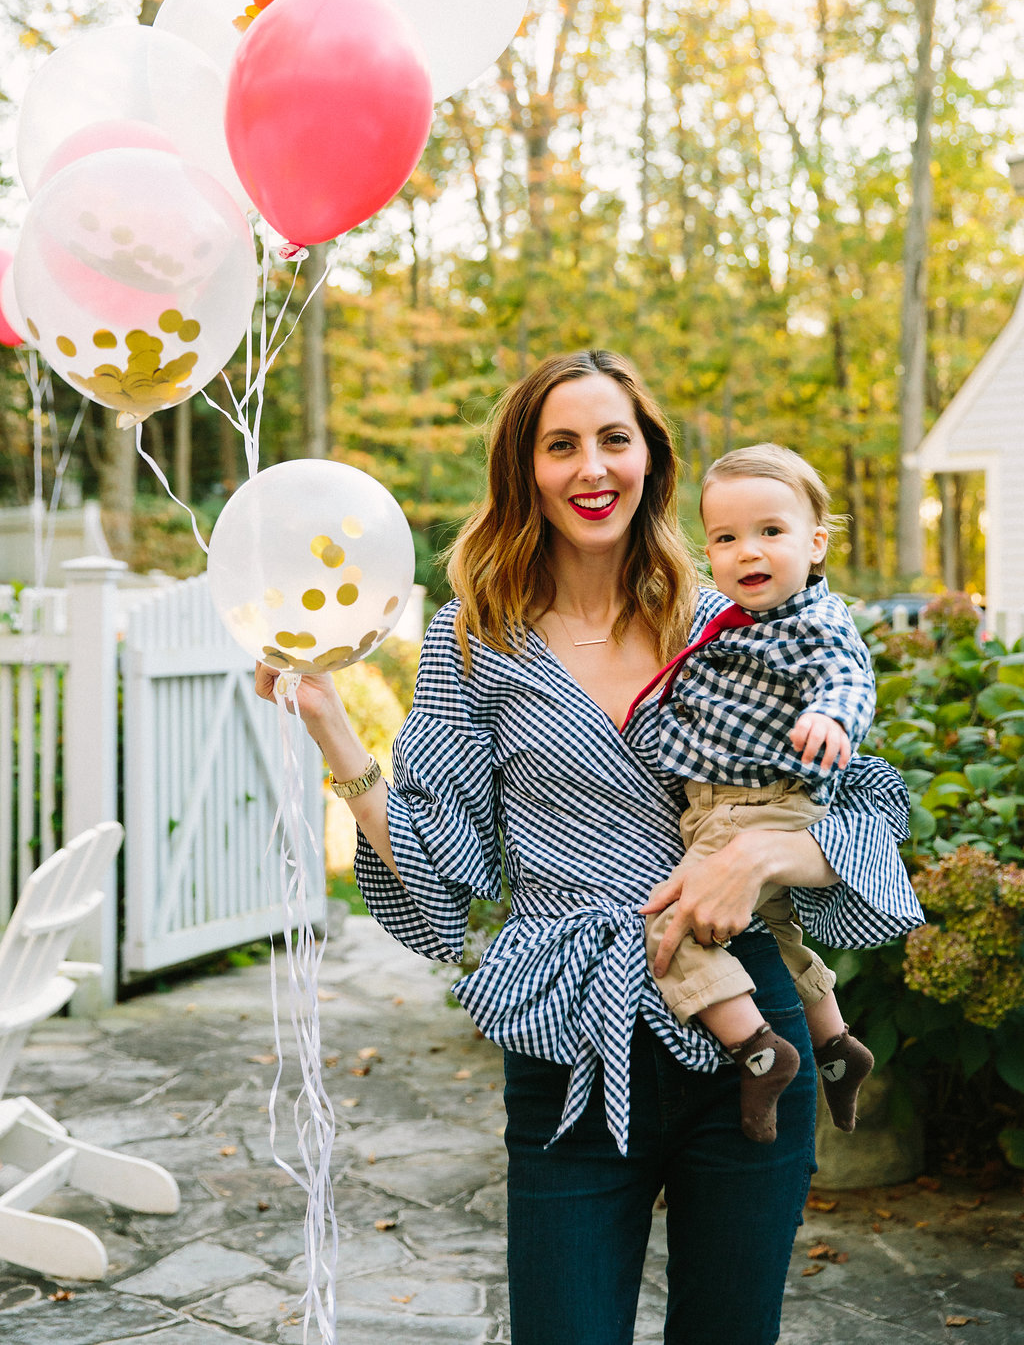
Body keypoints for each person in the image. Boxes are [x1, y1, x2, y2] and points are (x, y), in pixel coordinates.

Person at [254, 349, 923, 1345]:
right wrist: (331, 729)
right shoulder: (471, 641)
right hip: (572, 1037)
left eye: (613, 439)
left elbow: (864, 818)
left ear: (648, 459)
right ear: (524, 471)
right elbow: (440, 883)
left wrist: (756, 860)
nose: (590, 467)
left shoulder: (731, 620)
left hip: (749, 1038)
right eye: (558, 445)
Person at [641, 444, 876, 1146]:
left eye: (771, 532)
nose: (750, 552)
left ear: (816, 542)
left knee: (673, 923)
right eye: (726, 537)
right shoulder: (730, 622)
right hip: (729, 801)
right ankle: (835, 1043)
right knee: (772, 933)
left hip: (758, 804)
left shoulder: (815, 619)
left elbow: (848, 675)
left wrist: (830, 716)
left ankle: (758, 1050)